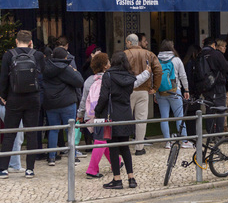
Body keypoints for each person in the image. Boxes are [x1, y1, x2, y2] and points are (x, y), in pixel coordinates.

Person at [0, 30, 45, 179]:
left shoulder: (8, 55)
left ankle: (3, 169)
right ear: (31, 42)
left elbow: (3, 79)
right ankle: (30, 169)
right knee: (32, 133)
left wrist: (4, 97)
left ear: (16, 41)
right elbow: (43, 75)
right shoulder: (37, 55)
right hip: (32, 98)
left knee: (9, 133)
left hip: (14, 98)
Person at [95, 52, 137, 189]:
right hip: (126, 113)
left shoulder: (108, 75)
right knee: (125, 146)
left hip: (111, 114)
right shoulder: (131, 76)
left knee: (113, 147)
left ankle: (117, 179)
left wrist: (97, 111)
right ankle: (131, 178)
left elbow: (104, 96)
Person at [43, 47, 85, 166]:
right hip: (67, 103)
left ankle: (51, 157)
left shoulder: (46, 68)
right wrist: (75, 70)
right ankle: (73, 156)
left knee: (53, 129)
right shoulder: (66, 68)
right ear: (65, 57)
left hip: (51, 104)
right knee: (70, 130)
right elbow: (79, 81)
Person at [124, 33, 163, 156]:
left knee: (125, 118)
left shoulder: (124, 55)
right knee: (141, 120)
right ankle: (139, 147)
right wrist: (155, 87)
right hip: (144, 91)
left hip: (128, 90)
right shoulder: (149, 54)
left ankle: (123, 145)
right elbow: (158, 70)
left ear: (129, 43)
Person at [155, 39, 191, 149]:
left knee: (164, 117)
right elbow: (183, 76)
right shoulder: (176, 60)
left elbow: (154, 78)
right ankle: (184, 140)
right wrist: (186, 89)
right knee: (179, 116)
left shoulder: (156, 59)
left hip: (161, 92)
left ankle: (167, 142)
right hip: (175, 90)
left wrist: (155, 94)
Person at [200, 37, 228, 134]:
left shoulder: (200, 55)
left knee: (209, 110)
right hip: (217, 85)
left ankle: (210, 133)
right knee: (220, 109)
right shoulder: (216, 54)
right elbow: (225, 66)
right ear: (213, 45)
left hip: (205, 86)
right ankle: (219, 134)